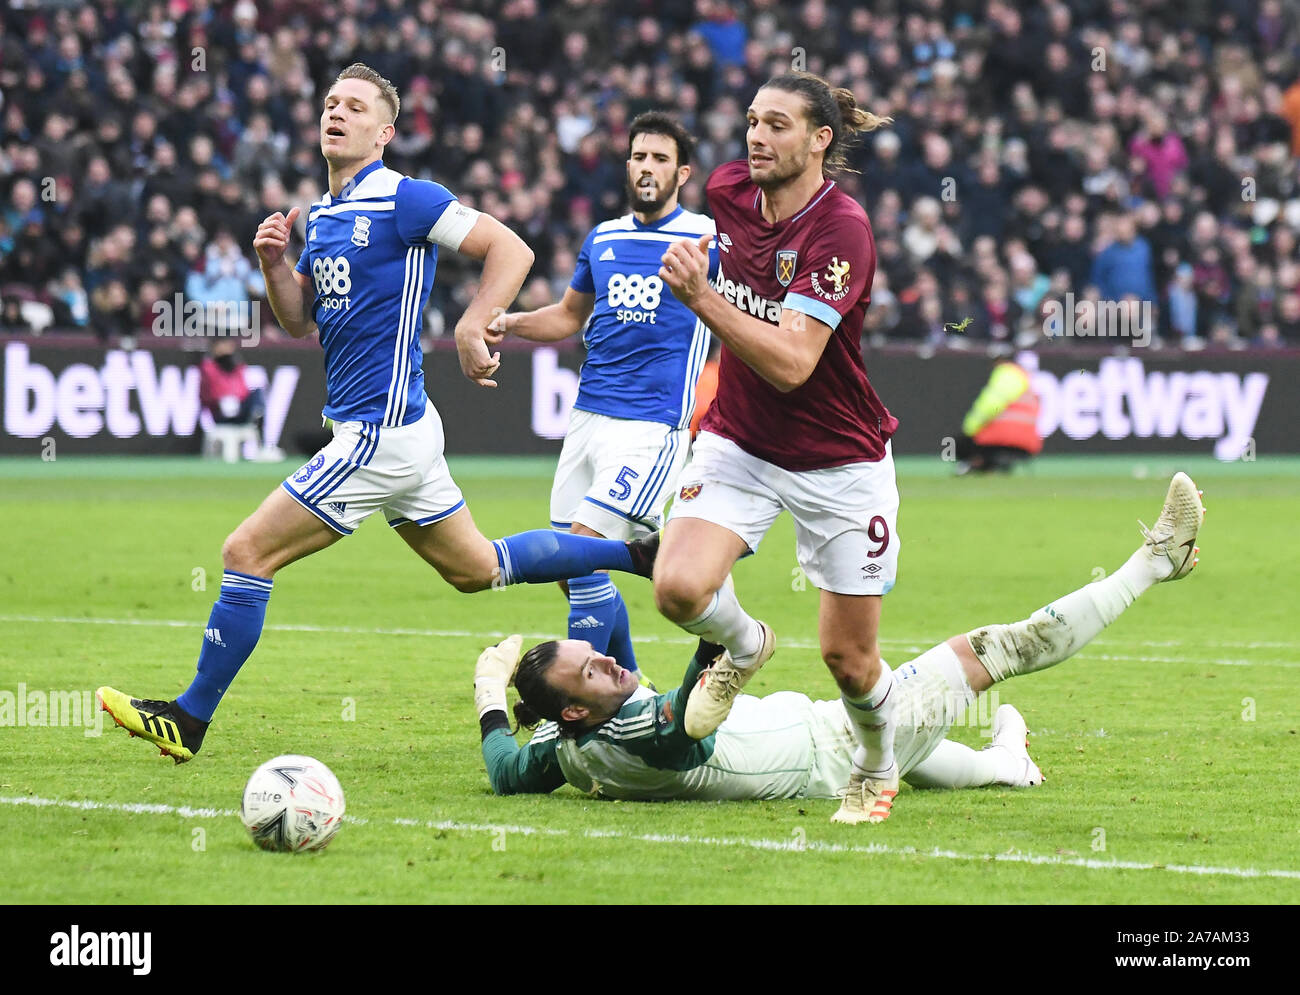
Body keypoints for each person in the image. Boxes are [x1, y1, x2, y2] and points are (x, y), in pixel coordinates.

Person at [96, 64, 659, 764]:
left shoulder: (406, 199)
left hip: (379, 434)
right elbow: (299, 321)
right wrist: (275, 264)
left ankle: (189, 717)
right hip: (401, 434)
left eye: (356, 107)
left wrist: (474, 323)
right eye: (330, 102)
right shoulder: (321, 214)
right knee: (478, 567)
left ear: (384, 132)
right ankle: (638, 553)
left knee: (246, 552)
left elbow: (511, 248)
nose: (337, 112)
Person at [474, 474, 1204, 803]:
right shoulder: (631, 735)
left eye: (590, 654)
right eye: (590, 672)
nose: (603, 659)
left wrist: (488, 694)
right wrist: (715, 642)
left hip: (825, 727)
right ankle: (1155, 562)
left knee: (945, 756)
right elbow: (681, 735)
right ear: (575, 710)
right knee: (999, 647)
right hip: (835, 755)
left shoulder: (565, 754)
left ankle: (1009, 764)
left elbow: (507, 769)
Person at [652, 72, 903, 824]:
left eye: (777, 125)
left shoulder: (842, 228)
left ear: (820, 140)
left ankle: (877, 764)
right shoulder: (730, 191)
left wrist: (704, 298)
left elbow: (795, 364)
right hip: (741, 440)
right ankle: (745, 644)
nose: (756, 137)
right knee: (678, 588)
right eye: (752, 121)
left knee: (849, 663)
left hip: (839, 458)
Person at [488, 113, 716, 682]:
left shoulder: (708, 240)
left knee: (581, 551)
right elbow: (569, 316)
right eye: (639, 156)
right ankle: (633, 689)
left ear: (682, 172)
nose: (647, 167)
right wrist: (511, 322)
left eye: (661, 159)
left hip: (650, 426)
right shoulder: (605, 237)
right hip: (587, 420)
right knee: (573, 572)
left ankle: (582, 710)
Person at [955, 357, 1042, 474]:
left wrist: (968, 430)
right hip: (1029, 443)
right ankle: (988, 466)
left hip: (1001, 439)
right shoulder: (1026, 380)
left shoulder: (1006, 375)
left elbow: (989, 406)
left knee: (958, 443)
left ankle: (974, 465)